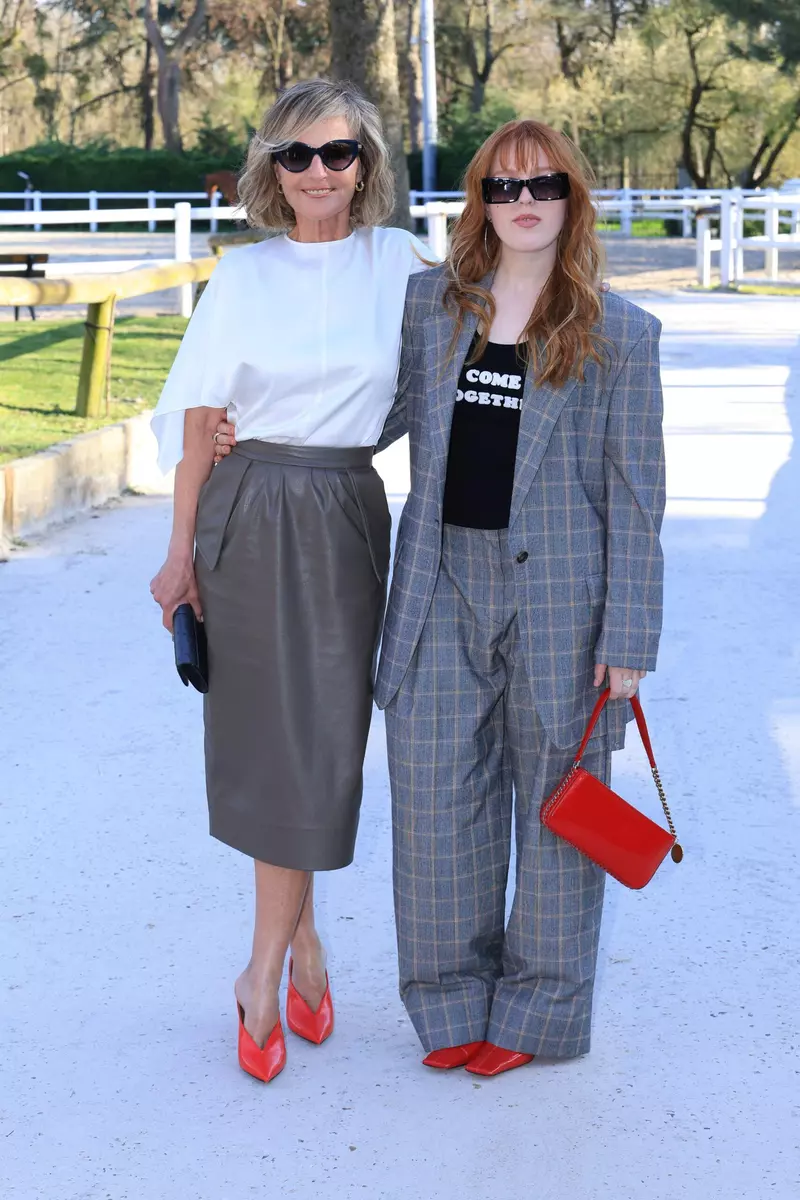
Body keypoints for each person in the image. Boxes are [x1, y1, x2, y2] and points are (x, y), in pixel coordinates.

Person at [373, 119, 666, 1077]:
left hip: (564, 604)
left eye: (542, 184)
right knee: (432, 805)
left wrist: (628, 635)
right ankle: (450, 999)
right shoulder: (432, 306)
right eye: (502, 188)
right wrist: (249, 432)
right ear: (481, 203)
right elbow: (371, 412)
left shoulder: (619, 331)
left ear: (571, 197)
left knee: (558, 815)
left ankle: (537, 1013)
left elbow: (636, 493)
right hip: (440, 584)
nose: (523, 201)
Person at [149, 78, 427, 1084]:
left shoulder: (402, 265)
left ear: (367, 163)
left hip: (345, 509)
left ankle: (297, 947)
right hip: (245, 507)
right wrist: (178, 554)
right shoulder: (242, 277)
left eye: (337, 153)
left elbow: (458, 367)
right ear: (272, 169)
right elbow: (195, 424)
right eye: (295, 156)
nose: (318, 172)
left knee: (324, 747)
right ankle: (271, 963)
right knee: (276, 745)